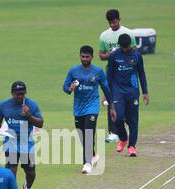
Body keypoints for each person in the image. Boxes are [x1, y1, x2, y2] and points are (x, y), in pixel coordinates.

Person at [63, 45, 116, 174]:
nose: (85, 59)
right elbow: (65, 87)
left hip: (92, 107)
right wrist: (70, 88)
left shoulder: (98, 71)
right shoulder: (73, 71)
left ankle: (87, 163)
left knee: (88, 133)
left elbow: (106, 89)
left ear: (92, 57)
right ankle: (92, 154)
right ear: (80, 56)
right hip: (78, 108)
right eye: (82, 56)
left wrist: (112, 107)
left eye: (87, 57)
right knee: (82, 135)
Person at [0, 81, 44, 189]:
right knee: (11, 169)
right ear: (12, 93)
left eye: (22, 94)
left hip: (27, 143)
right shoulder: (4, 105)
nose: (19, 96)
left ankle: (28, 188)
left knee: (30, 172)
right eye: (17, 94)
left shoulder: (31, 105)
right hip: (11, 142)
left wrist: (28, 115)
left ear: (25, 93)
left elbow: (40, 123)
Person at [107, 33, 149, 157]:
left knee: (133, 120)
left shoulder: (137, 56)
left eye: (127, 47)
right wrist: (106, 93)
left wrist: (145, 92)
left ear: (130, 44)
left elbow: (141, 74)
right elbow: (109, 76)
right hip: (118, 92)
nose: (125, 49)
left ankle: (132, 146)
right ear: (120, 46)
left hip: (132, 91)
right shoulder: (114, 56)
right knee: (118, 118)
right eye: (123, 47)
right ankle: (123, 138)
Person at [99, 9, 137, 143]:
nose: (112, 25)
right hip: (112, 73)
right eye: (110, 23)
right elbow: (101, 55)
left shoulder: (129, 33)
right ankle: (113, 132)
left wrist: (120, 54)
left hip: (126, 73)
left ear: (119, 19)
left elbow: (135, 53)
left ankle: (126, 127)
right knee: (111, 100)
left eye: (114, 22)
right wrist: (112, 55)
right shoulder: (104, 36)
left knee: (126, 101)